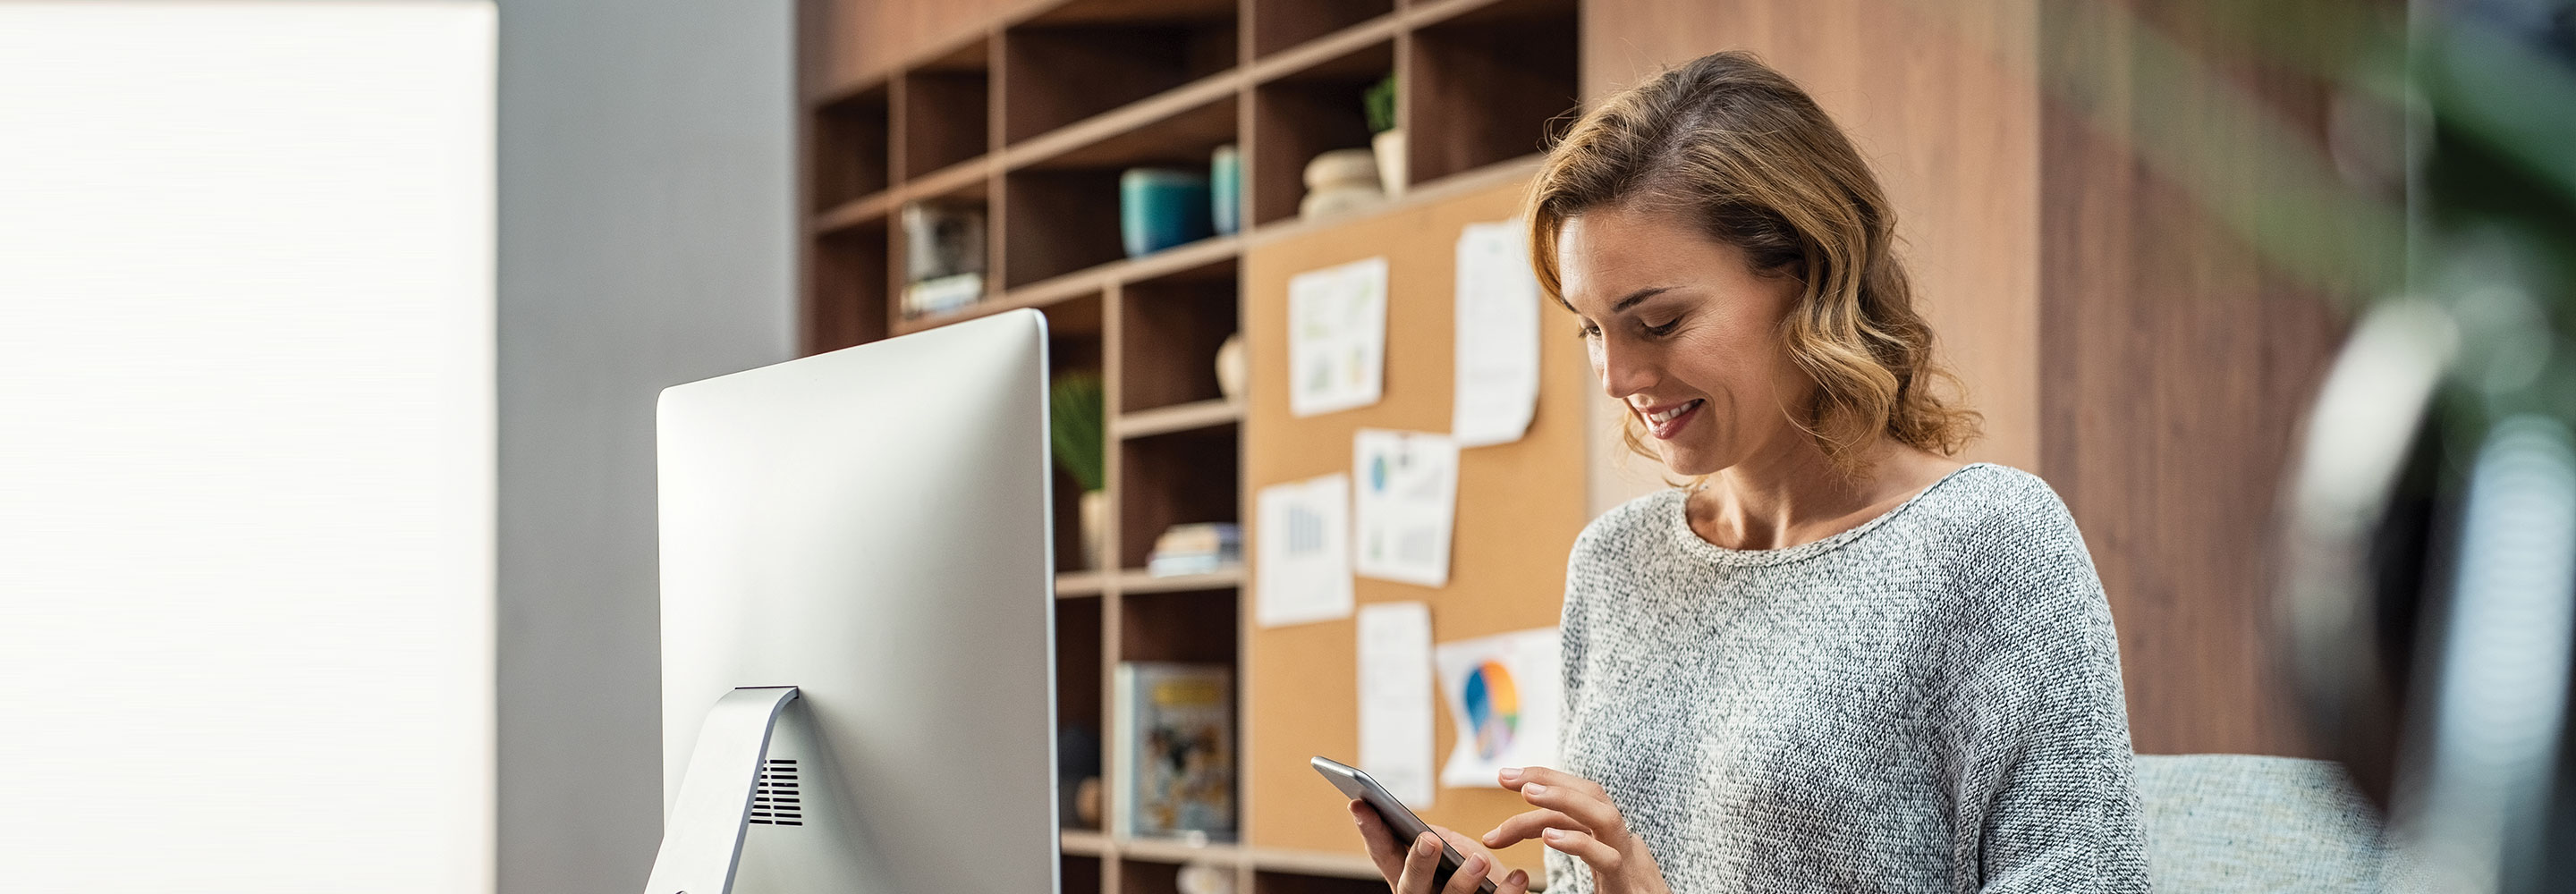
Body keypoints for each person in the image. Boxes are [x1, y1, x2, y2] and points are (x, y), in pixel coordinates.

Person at [1346, 50, 2149, 894]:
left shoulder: (1991, 543)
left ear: (1810, 277)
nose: (1616, 377)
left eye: (1657, 320)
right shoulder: (1615, 563)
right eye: (1590, 330)